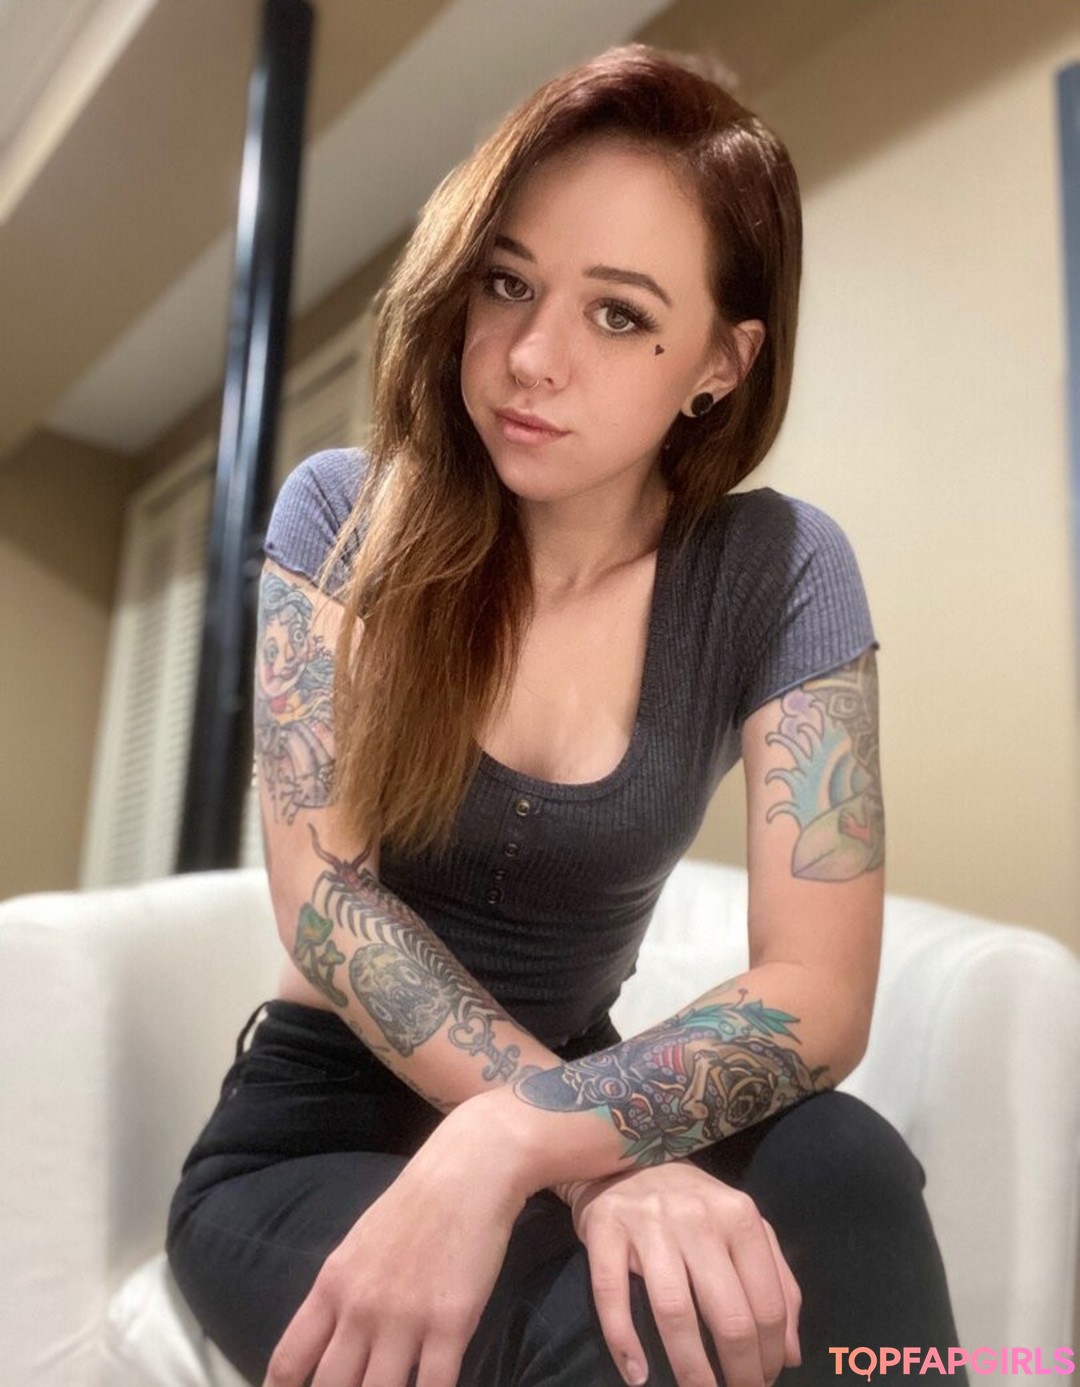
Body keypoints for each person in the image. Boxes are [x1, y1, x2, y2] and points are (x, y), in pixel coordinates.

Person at [166, 42, 965, 1387]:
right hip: (318, 1130)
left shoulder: (781, 569)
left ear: (720, 363)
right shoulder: (342, 516)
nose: (531, 357)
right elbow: (327, 904)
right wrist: (578, 1158)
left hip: (579, 1095)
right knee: (632, 1327)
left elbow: (818, 994)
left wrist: (530, 1137)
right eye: (507, 283)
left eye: (618, 314)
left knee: (848, 1168)